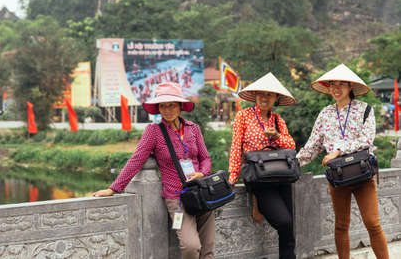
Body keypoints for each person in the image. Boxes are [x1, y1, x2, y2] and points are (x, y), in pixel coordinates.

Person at [93, 82, 215, 259]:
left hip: (201, 192)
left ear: (180, 106)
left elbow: (206, 158)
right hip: (176, 198)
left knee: (208, 247)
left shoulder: (193, 128)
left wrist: (202, 173)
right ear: (158, 108)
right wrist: (114, 188)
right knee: (191, 246)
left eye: (172, 104)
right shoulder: (154, 132)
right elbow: (136, 160)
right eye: (163, 106)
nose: (168, 109)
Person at [296, 63, 389, 259]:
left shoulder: (365, 109)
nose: (336, 88)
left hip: (362, 173)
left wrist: (338, 151)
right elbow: (312, 146)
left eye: (341, 84)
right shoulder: (325, 114)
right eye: (332, 84)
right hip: (338, 177)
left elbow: (366, 140)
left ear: (350, 87)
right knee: (340, 225)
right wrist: (292, 164)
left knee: (373, 223)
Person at [228, 72, 297, 259]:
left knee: (289, 226)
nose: (264, 98)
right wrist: (233, 175)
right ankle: (257, 202)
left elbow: (291, 145)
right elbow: (236, 145)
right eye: (260, 94)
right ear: (255, 96)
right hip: (258, 177)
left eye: (269, 94)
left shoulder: (277, 120)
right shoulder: (243, 116)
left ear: (276, 97)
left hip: (281, 175)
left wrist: (276, 136)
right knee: (283, 221)